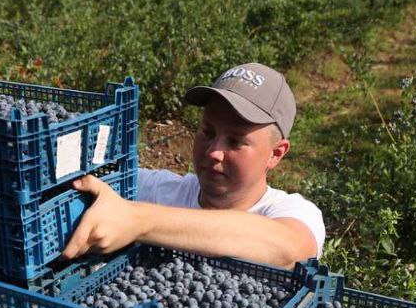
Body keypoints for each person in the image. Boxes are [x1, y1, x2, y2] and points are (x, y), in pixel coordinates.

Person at [60, 63, 325, 269]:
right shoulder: (159, 192)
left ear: (276, 154)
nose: (213, 152)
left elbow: (287, 248)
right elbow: (92, 184)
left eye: (235, 142)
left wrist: (139, 220)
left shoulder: (293, 211)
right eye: (207, 132)